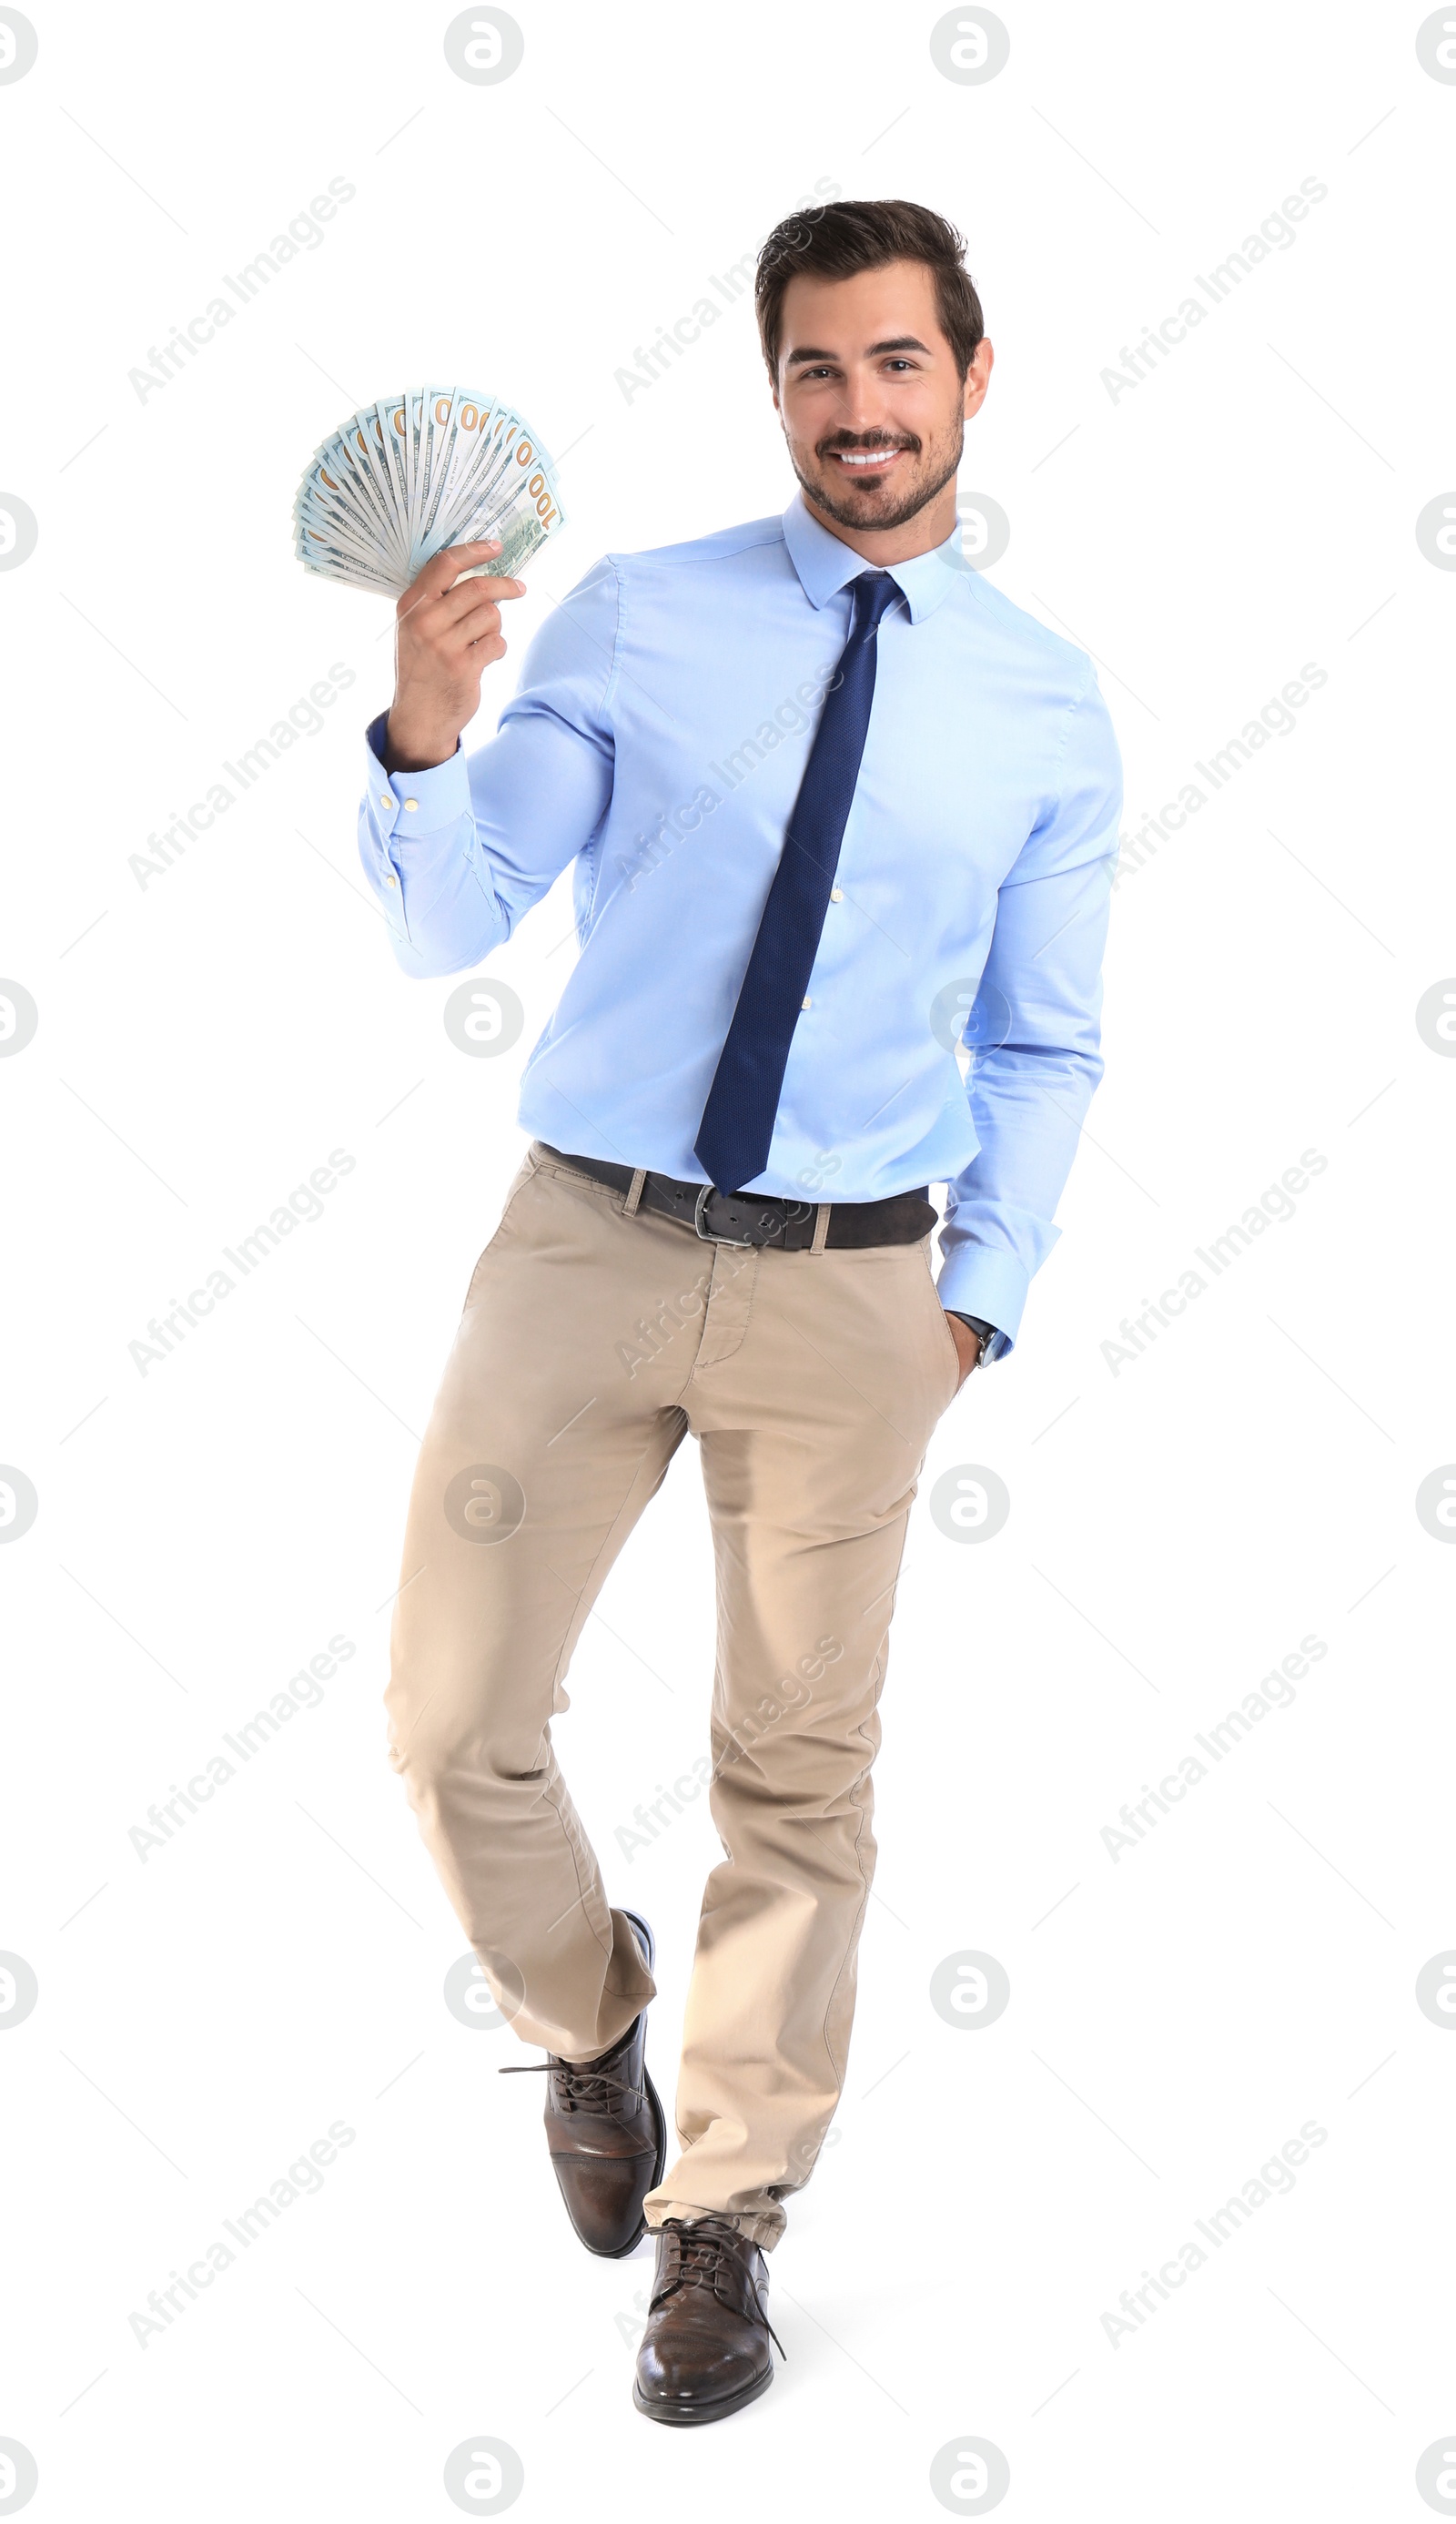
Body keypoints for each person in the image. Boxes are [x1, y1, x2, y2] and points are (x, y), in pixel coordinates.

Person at [355, 197, 1121, 2427]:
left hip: (853, 1291)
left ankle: (721, 2220)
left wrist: (968, 1302)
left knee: (795, 1776)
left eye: (896, 364)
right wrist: (421, 735)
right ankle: (587, 2024)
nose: (856, 410)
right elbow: (458, 914)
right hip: (580, 1248)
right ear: (772, 386)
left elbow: (1044, 1045)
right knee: (443, 1717)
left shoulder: (1040, 703)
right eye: (814, 368)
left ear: (969, 378)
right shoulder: (639, 618)